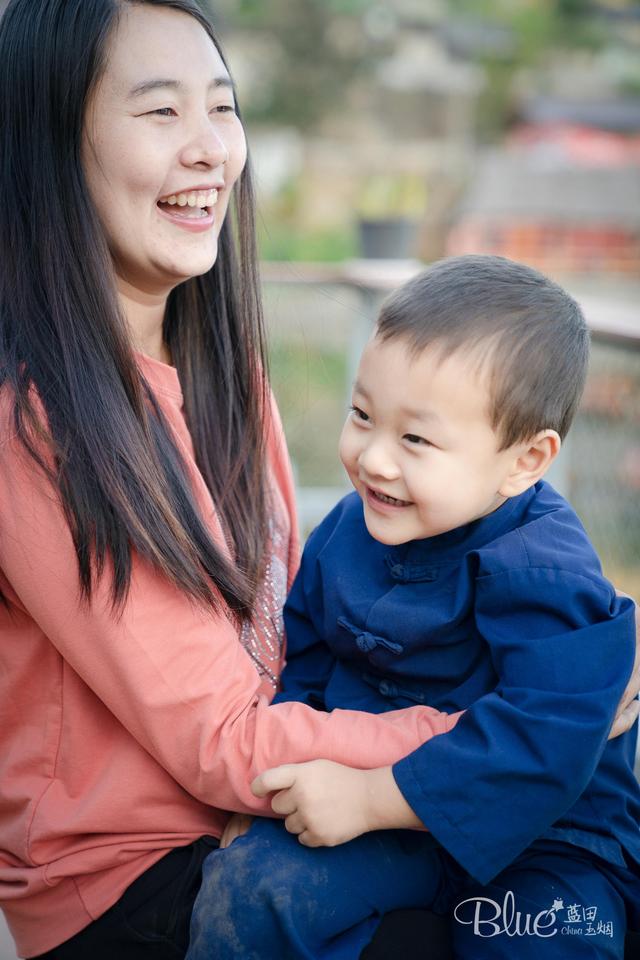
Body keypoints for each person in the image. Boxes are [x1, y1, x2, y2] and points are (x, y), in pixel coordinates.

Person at [0, 3, 637, 959]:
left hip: (278, 796)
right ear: (52, 139)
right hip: (139, 873)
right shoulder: (40, 419)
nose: (212, 149)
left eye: (224, 108)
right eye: (161, 113)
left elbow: (280, 638)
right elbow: (229, 733)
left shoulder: (222, 366)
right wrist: (535, 729)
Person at [186, 256, 640, 960]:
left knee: (538, 943)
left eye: (415, 440)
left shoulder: (547, 566)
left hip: (546, 840)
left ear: (524, 461)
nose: (373, 459)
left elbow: (546, 740)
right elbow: (302, 661)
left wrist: (373, 800)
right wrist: (268, 794)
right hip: (377, 816)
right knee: (252, 890)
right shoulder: (347, 532)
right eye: (362, 415)